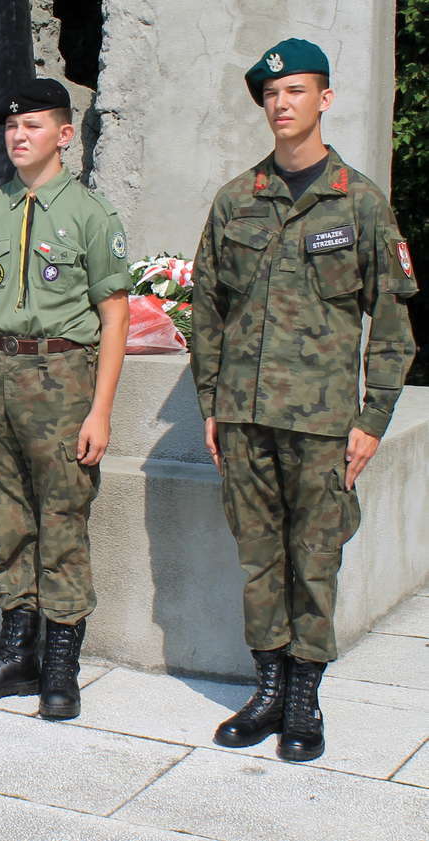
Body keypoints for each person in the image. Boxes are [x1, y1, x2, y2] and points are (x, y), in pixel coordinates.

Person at [190, 39, 418, 762]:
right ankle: (265, 688)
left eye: (296, 90)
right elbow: (207, 312)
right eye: (271, 93)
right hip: (246, 418)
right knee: (259, 558)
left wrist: (372, 418)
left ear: (325, 98)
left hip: (323, 423)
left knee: (314, 560)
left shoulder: (360, 203)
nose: (282, 103)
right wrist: (211, 405)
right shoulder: (236, 200)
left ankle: (303, 698)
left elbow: (392, 323)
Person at [0, 78, 131, 721]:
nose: (19, 136)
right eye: (11, 127)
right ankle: (16, 653)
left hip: (61, 378)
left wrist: (101, 410)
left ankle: (60, 664)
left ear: (64, 135)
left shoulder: (89, 214)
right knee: (10, 521)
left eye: (33, 126)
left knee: (63, 521)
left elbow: (115, 314)